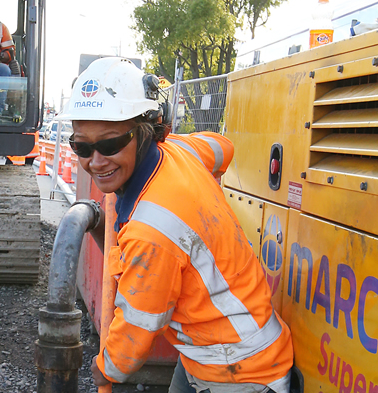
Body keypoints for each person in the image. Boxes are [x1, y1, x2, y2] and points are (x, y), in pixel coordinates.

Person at [55, 57, 294, 393]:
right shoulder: (180, 150)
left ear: (145, 132)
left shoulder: (152, 230)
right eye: (81, 146)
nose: (95, 161)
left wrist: (104, 369)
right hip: (217, 348)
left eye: (110, 144)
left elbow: (136, 330)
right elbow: (221, 148)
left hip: (239, 370)